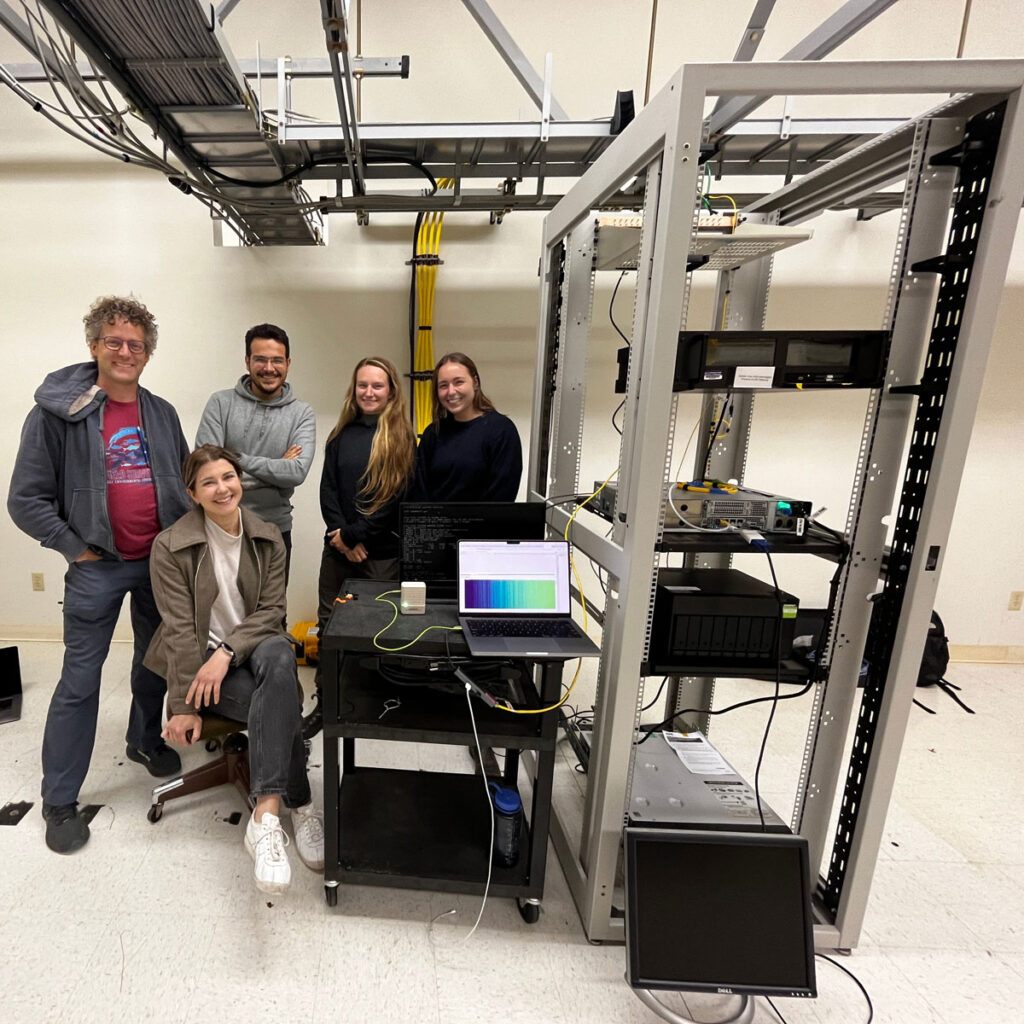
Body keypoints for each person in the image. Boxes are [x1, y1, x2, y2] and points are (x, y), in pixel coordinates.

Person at [8, 295, 191, 854]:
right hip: (97, 568)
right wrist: (73, 548)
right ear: (93, 346)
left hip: (155, 564)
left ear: (148, 353)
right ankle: (60, 800)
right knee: (79, 682)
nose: (125, 352)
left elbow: (181, 486)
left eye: (136, 344)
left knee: (152, 664)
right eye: (114, 341)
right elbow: (25, 499)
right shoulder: (57, 414)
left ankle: (141, 740)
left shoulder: (160, 413)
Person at [145, 445, 324, 894]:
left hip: (250, 646)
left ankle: (264, 816)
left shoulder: (266, 535)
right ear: (193, 493)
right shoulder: (170, 546)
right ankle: (299, 805)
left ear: (239, 479)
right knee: (281, 700)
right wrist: (184, 704)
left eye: (228, 476)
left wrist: (227, 651)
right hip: (198, 663)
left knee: (280, 657)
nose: (222, 488)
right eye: (209, 482)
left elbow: (271, 612)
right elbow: (180, 629)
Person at [302, 357, 416, 740]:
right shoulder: (341, 434)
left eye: (377, 386)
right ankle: (327, 701)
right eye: (363, 385)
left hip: (380, 554)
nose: (369, 392)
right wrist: (340, 535)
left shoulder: (402, 438)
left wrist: (355, 535)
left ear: (391, 392)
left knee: (377, 629)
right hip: (338, 550)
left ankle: (371, 704)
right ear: (354, 389)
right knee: (329, 626)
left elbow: (394, 499)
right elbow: (327, 490)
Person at [195, 323, 315, 581]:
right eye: (260, 359)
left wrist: (234, 458)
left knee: (272, 613)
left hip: (274, 530)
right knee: (221, 613)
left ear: (288, 363)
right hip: (221, 529)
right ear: (248, 361)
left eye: (277, 360)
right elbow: (206, 469)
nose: (269, 368)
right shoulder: (220, 403)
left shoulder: (301, 413)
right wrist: (275, 472)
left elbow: (296, 473)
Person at [412, 352, 522, 501]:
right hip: (437, 523)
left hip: (486, 523)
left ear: (475, 382)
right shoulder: (433, 433)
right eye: (443, 385)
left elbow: (501, 498)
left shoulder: (501, 431)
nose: (451, 392)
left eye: (458, 382)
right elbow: (419, 492)